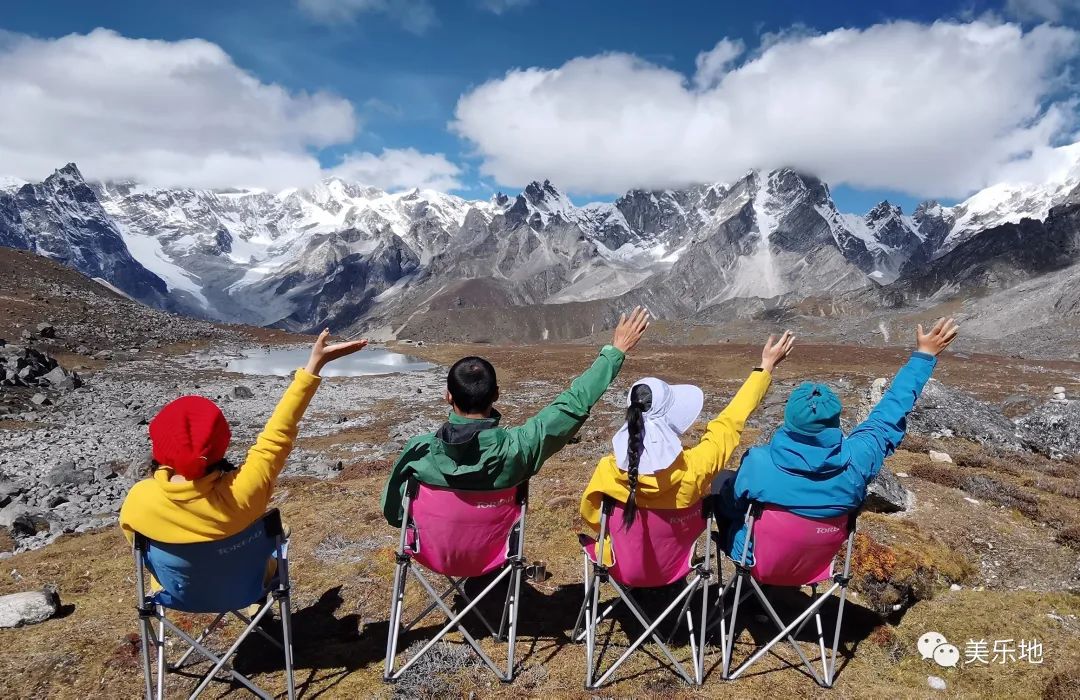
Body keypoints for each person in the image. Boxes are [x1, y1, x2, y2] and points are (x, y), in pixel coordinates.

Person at [714, 318, 959, 563]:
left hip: (757, 561)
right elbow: (889, 414)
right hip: (817, 563)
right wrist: (924, 356)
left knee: (723, 492)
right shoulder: (859, 459)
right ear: (835, 420)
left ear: (788, 419)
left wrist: (766, 366)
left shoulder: (758, 462)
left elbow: (732, 504)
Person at [380, 307, 652, 527]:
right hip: (494, 554)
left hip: (433, 553)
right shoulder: (519, 447)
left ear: (448, 396)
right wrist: (615, 352)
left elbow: (393, 513)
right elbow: (573, 404)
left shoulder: (419, 450)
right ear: (496, 394)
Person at [120, 329, 368, 544]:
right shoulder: (244, 491)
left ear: (160, 446)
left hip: (174, 586)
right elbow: (277, 434)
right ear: (221, 442)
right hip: (251, 582)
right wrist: (314, 364)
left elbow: (139, 548)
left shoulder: (139, 501)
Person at [580, 332, 796, 560]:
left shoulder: (607, 471)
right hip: (675, 566)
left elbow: (592, 516)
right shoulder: (695, 467)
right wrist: (766, 367)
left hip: (623, 565)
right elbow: (730, 422)